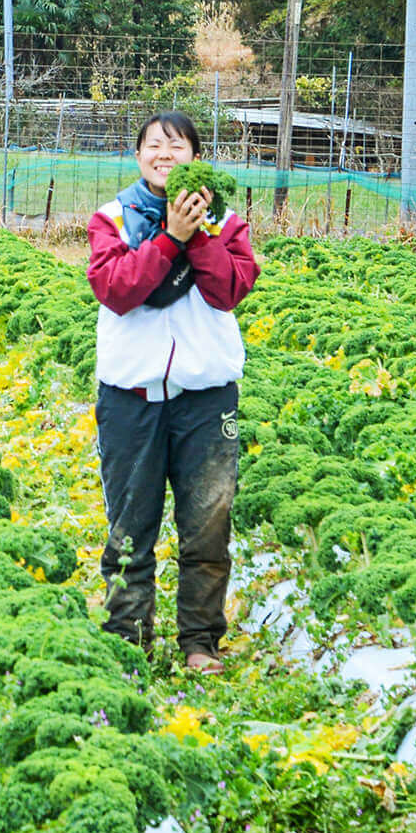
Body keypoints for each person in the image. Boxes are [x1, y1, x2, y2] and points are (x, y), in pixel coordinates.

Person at [84, 112, 259, 670]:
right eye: (153, 145)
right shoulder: (112, 219)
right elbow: (116, 289)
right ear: (139, 157)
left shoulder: (226, 222)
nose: (164, 153)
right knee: (130, 523)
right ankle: (127, 637)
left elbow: (230, 288)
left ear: (195, 157)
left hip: (205, 398)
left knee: (208, 523)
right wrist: (168, 239)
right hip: (130, 397)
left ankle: (200, 642)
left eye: (177, 145)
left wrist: (198, 235)